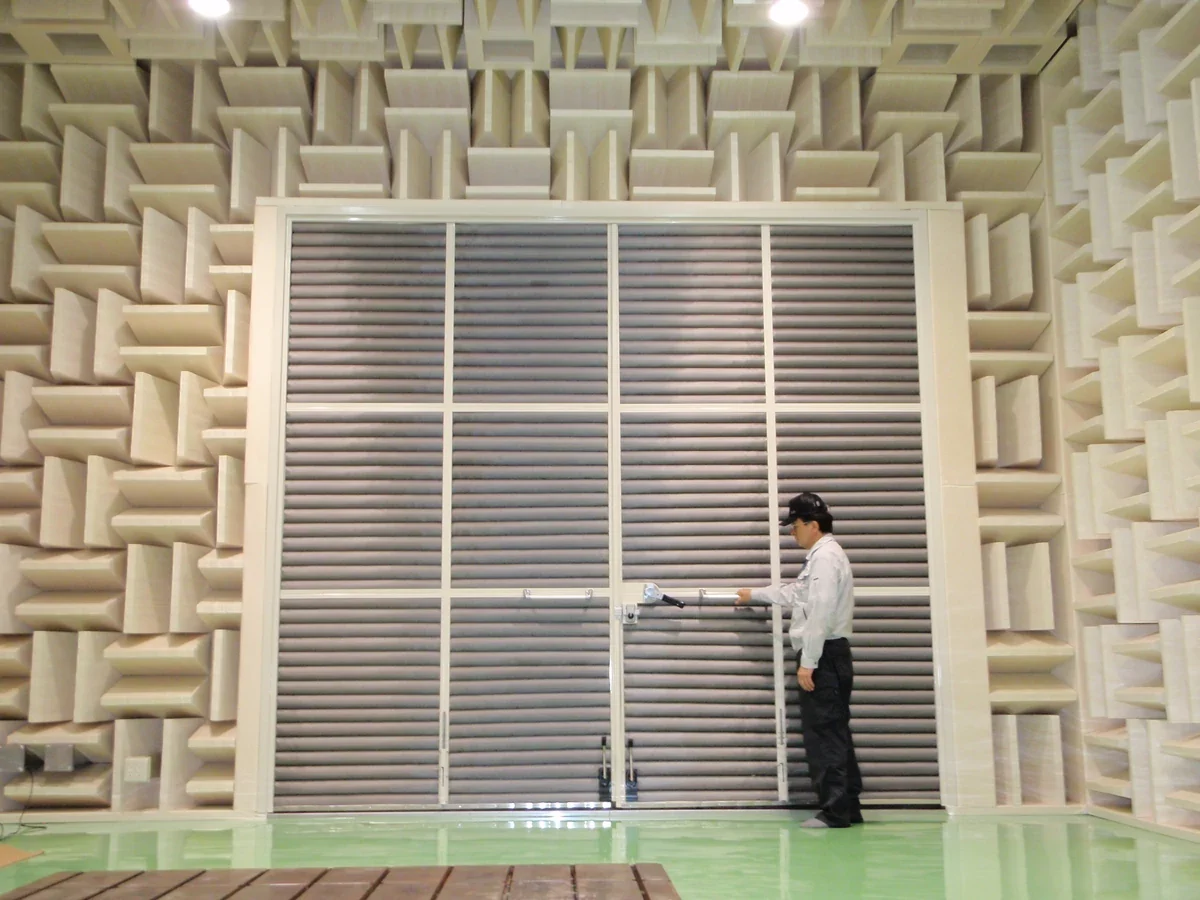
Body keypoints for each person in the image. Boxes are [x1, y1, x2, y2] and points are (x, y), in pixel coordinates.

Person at [736, 491, 862, 829]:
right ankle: (847, 805)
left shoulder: (825, 558)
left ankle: (835, 811)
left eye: (795, 526)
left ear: (814, 525)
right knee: (834, 731)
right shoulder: (825, 557)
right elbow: (797, 594)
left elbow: (819, 613)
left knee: (825, 734)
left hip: (824, 656)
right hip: (830, 655)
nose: (793, 532)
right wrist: (756, 594)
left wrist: (809, 662)